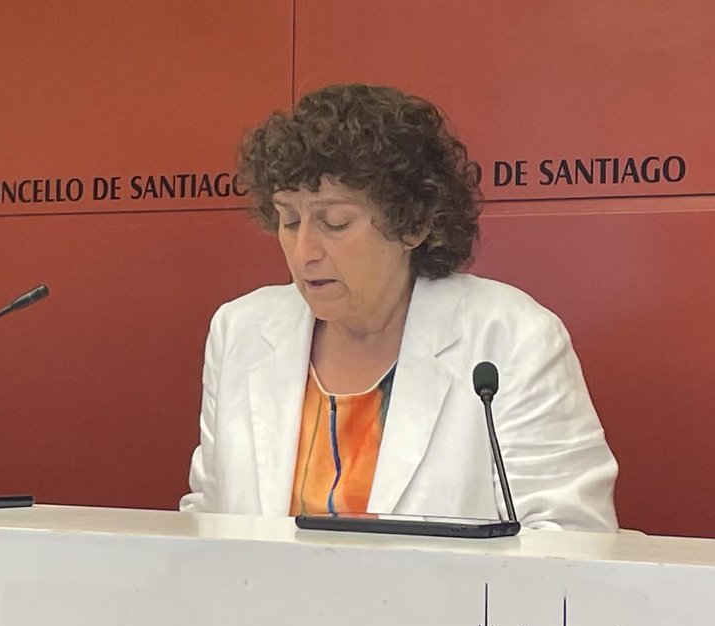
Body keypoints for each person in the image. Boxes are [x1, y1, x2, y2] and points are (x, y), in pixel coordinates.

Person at [179, 84, 618, 531]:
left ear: (413, 224)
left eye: (335, 222)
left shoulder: (513, 337)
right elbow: (208, 520)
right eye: (289, 220)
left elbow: (570, 538)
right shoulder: (240, 331)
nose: (303, 251)